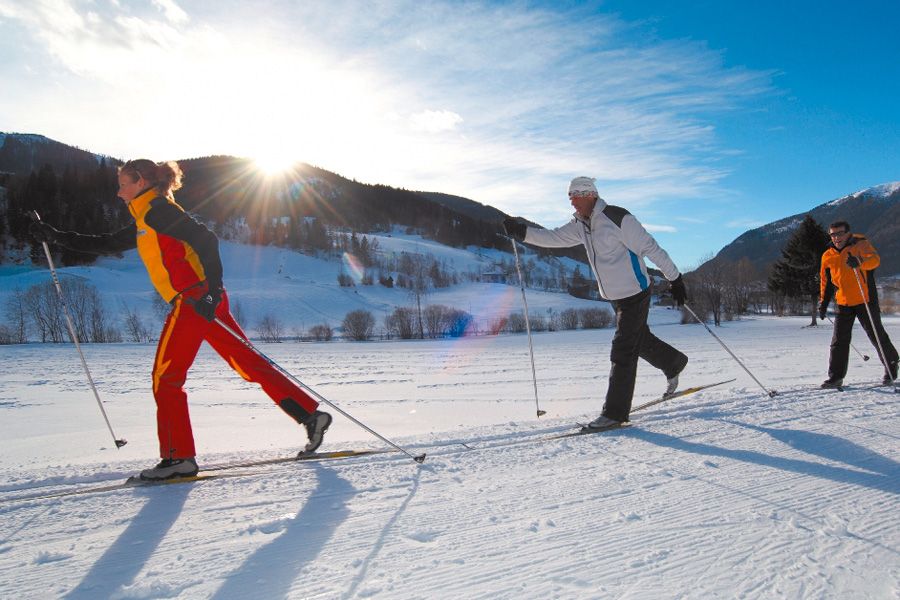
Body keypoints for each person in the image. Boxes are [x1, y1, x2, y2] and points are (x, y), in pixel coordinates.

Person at [30, 159, 332, 480]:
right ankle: (310, 416)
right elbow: (104, 243)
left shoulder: (158, 211)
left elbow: (207, 240)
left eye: (123, 184)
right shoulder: (147, 217)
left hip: (194, 300)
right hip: (204, 299)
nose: (119, 193)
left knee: (166, 378)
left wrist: (211, 292)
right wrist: (54, 235)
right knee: (247, 362)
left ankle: (178, 458)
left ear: (141, 181)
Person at [503, 176, 688, 430]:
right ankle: (673, 362)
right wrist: (522, 233)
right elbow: (553, 238)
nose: (572, 204)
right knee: (638, 340)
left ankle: (614, 413)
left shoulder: (618, 219)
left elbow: (651, 248)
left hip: (636, 291)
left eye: (574, 197)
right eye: (570, 199)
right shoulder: (581, 224)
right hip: (615, 296)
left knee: (623, 349)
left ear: (589, 195)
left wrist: (675, 278)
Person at [818, 220, 898, 388]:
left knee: (876, 335)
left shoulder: (860, 245)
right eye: (833, 234)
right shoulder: (828, 255)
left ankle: (891, 364)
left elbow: (875, 260)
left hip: (865, 299)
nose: (836, 238)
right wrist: (823, 304)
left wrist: (860, 261)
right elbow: (826, 282)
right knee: (839, 341)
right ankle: (835, 377)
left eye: (839, 233)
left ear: (848, 233)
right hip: (843, 302)